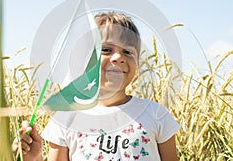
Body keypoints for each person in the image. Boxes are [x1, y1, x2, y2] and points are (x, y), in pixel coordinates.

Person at [12, 12, 180, 161]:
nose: (118, 58)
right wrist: (33, 158)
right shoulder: (65, 119)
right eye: (106, 49)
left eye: (128, 52)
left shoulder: (156, 115)